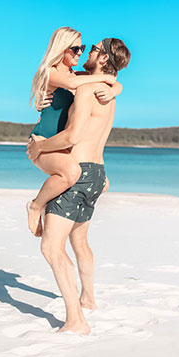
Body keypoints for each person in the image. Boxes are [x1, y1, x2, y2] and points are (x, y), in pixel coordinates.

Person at [27, 37, 131, 334]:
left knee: (50, 247)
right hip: (98, 174)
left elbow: (72, 137)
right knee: (80, 242)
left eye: (94, 49)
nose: (87, 52)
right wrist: (116, 82)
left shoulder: (86, 91)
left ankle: (75, 320)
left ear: (103, 59)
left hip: (79, 173)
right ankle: (88, 299)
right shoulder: (109, 93)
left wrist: (42, 148)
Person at [27, 27, 123, 237]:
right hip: (43, 141)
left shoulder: (77, 75)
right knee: (71, 173)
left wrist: (114, 87)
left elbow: (98, 81)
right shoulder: (51, 71)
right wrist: (109, 81)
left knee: (102, 183)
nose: (80, 53)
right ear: (61, 49)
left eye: (82, 48)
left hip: (61, 144)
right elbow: (72, 83)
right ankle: (36, 206)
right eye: (75, 49)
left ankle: (55, 204)